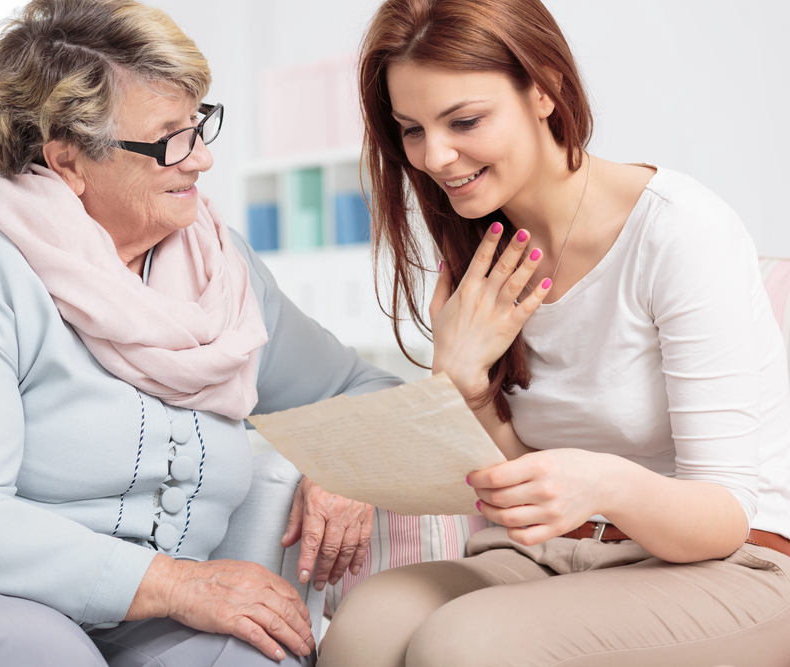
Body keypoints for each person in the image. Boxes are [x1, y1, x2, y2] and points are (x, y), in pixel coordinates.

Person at [0, 2, 401, 666]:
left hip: (134, 617)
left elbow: (359, 387)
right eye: (171, 138)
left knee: (259, 650)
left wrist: (345, 466)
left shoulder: (222, 272)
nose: (202, 159)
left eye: (199, 125)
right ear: (68, 161)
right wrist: (178, 583)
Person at [318, 0, 790, 665]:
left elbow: (725, 514)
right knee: (366, 626)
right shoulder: (482, 256)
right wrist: (464, 389)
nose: (436, 157)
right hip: (558, 553)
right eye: (412, 130)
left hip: (732, 563)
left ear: (545, 88)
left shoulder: (682, 232)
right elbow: (513, 485)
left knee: (461, 645)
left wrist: (605, 483)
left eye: (465, 121)